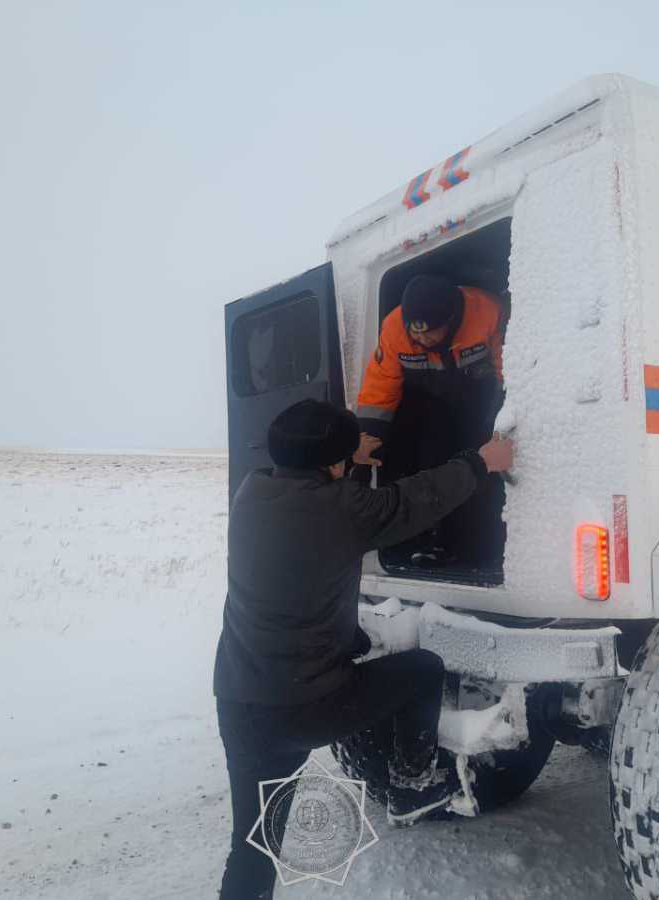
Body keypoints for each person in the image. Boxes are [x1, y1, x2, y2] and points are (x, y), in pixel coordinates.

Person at [213, 398, 513, 900]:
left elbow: (310, 510)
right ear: (333, 466)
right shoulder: (344, 509)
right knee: (422, 670)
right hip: (306, 705)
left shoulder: (250, 493)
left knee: (254, 842)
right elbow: (415, 499)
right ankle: (410, 785)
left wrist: (344, 458)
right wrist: (481, 461)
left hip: (239, 701)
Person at [355, 274, 506, 568]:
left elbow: (510, 370)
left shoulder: (487, 312)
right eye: (416, 333)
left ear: (450, 320)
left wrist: (497, 423)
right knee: (436, 464)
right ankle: (440, 543)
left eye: (430, 333)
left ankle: (482, 544)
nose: (421, 339)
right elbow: (379, 388)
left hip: (482, 402)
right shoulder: (395, 328)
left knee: (485, 466)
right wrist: (365, 441)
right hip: (435, 407)